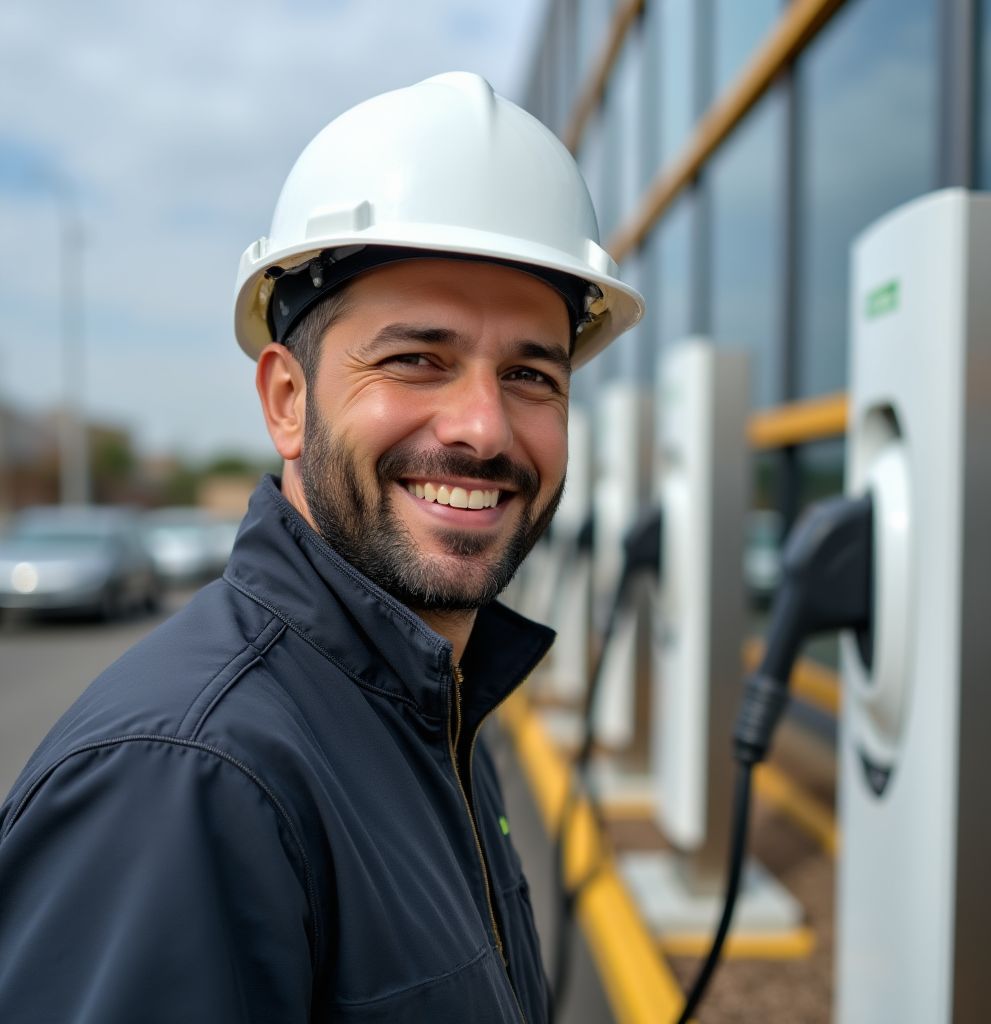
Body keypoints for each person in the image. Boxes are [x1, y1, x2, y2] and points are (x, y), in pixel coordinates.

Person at [0, 72, 643, 1022]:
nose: (483, 428)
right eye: (416, 359)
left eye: (530, 374)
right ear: (287, 403)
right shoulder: (187, 779)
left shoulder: (428, 705)